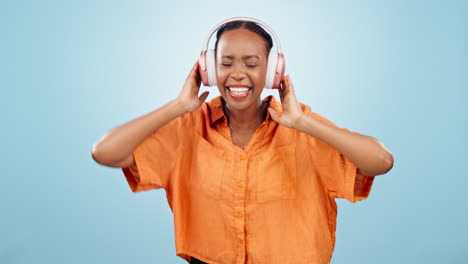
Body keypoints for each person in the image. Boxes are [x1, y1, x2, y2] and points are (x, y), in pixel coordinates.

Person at [92, 17, 394, 264]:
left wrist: (304, 123)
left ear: (273, 71)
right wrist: (177, 106)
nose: (238, 74)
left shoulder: (302, 127)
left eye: (251, 64)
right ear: (209, 69)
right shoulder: (186, 128)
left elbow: (380, 162)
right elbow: (105, 152)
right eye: (226, 63)